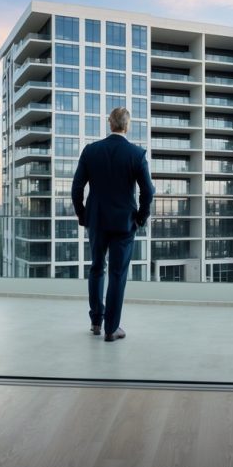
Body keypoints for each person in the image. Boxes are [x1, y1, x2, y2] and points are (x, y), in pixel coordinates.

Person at [72, 107, 155, 342]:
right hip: (124, 223)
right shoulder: (136, 154)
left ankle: (96, 321)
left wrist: (83, 215)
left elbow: (76, 188)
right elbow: (148, 191)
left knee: (97, 268)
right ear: (127, 126)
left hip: (96, 221)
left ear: (110, 123)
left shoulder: (91, 151)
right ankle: (112, 328)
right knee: (118, 274)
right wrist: (141, 216)